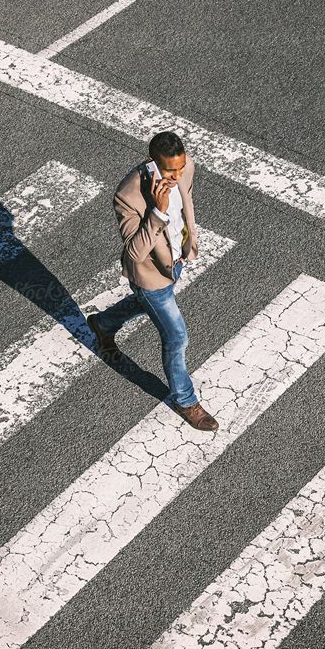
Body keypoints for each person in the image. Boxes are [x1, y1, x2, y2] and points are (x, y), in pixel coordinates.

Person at [87, 131, 218, 431]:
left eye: (180, 168)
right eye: (169, 170)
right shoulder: (128, 195)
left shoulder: (186, 168)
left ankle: (103, 324)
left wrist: (187, 245)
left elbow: (186, 204)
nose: (176, 175)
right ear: (153, 162)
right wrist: (157, 212)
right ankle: (185, 400)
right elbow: (134, 253)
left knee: (143, 305)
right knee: (176, 337)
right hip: (150, 277)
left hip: (175, 264)